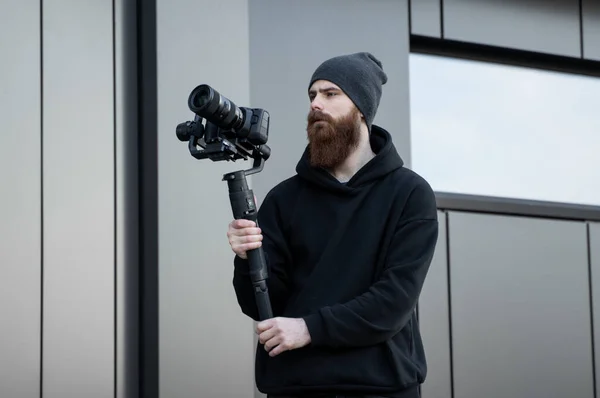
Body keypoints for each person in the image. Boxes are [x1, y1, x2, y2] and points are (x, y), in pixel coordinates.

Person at [227, 52, 439, 398]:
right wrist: (245, 256)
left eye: (330, 94)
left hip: (382, 386)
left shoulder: (410, 194)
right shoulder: (284, 199)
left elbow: (393, 302)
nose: (316, 104)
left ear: (361, 109)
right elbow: (262, 305)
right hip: (295, 386)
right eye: (312, 95)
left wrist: (308, 329)